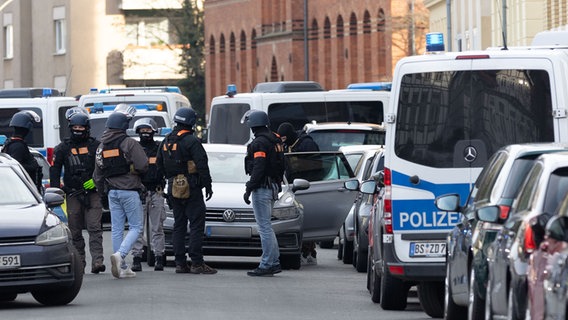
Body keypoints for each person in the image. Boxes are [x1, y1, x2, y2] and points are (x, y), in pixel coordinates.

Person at [156, 107, 216, 275]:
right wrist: (208, 185)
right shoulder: (191, 141)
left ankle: (180, 264)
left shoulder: (166, 141)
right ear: (190, 122)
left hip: (173, 188)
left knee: (179, 225)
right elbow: (202, 164)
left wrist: (167, 186)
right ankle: (197, 263)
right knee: (196, 225)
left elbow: (159, 166)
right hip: (192, 188)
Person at [93, 110, 148, 279]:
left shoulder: (101, 146)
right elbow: (143, 165)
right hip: (129, 191)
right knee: (136, 227)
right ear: (124, 126)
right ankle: (121, 255)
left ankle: (122, 266)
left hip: (112, 193)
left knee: (117, 229)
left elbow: (97, 174)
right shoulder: (129, 143)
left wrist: (101, 192)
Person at [50, 111, 105, 274]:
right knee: (74, 230)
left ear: (87, 128)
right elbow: (54, 170)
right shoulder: (62, 148)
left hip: (93, 193)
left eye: (81, 127)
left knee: (95, 227)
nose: (78, 129)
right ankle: (79, 262)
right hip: (72, 194)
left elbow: (105, 167)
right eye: (75, 127)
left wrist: (96, 182)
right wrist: (55, 193)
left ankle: (98, 260)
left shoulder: (96, 146)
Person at [242, 110, 283, 276]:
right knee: (267, 226)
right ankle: (274, 262)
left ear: (253, 125)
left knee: (264, 227)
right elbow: (282, 165)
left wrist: (249, 187)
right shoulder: (275, 139)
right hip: (272, 186)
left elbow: (259, 167)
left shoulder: (260, 143)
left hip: (262, 188)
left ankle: (266, 264)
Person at [277, 121, 320, 265]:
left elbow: (315, 165)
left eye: (284, 139)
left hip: (306, 186)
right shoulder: (287, 145)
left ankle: (308, 251)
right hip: (289, 187)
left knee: (306, 220)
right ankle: (303, 250)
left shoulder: (307, 144)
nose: (283, 142)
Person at [130, 118, 167, 272]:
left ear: (154, 131)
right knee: (137, 228)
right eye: (142, 131)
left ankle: (159, 257)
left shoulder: (160, 148)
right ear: (138, 132)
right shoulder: (134, 149)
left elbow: (166, 168)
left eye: (148, 130)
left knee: (157, 227)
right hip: (138, 193)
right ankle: (137, 259)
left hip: (157, 192)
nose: (145, 133)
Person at [2, 110, 43, 193]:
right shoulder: (18, 146)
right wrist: (32, 166)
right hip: (21, 189)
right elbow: (15, 167)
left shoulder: (12, 143)